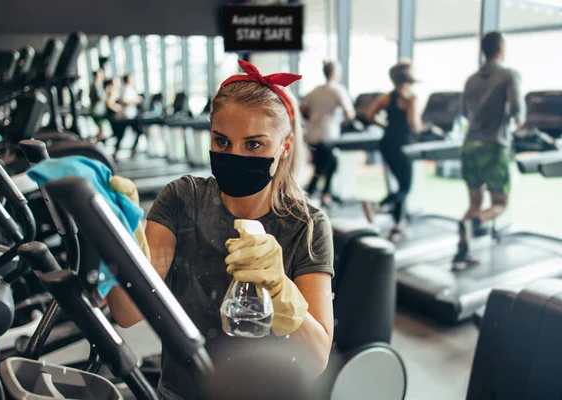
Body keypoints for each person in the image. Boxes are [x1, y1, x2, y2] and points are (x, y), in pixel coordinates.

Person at [104, 60, 334, 400]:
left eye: (254, 144)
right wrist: (120, 241)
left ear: (283, 147)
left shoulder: (306, 226)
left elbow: (317, 358)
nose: (234, 154)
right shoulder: (183, 199)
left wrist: (280, 289)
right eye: (222, 142)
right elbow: (126, 313)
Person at [453, 31, 524, 269]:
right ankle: (475, 222)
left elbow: (464, 112)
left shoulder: (470, 79)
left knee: (474, 202)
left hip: (470, 145)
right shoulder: (509, 75)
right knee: (500, 204)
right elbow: (517, 111)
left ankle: (462, 253)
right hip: (494, 147)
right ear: (501, 49)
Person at [365, 60, 421, 240]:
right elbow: (414, 124)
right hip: (403, 145)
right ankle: (378, 205)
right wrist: (423, 129)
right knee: (405, 187)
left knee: (398, 185)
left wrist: (387, 125)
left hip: (387, 141)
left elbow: (370, 115)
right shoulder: (410, 97)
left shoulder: (386, 97)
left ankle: (398, 225)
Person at [300, 60, 355, 207]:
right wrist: (344, 121)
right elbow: (349, 114)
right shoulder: (337, 90)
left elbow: (302, 109)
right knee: (322, 167)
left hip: (313, 134)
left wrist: (313, 118)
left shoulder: (315, 90)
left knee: (329, 164)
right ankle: (308, 196)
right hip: (328, 134)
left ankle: (324, 195)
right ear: (336, 72)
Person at [117, 74, 144, 158]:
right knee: (123, 133)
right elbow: (124, 100)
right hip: (128, 115)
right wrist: (136, 100)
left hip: (131, 114)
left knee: (134, 132)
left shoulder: (130, 88)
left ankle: (132, 149)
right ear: (127, 79)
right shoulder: (126, 89)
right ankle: (130, 149)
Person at [89, 68, 107, 141]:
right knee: (101, 131)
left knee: (101, 130)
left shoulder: (97, 84)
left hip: (98, 109)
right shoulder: (96, 85)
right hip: (97, 110)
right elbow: (100, 97)